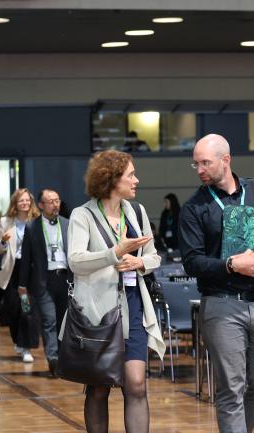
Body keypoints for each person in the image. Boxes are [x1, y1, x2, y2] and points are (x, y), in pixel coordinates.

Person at [179, 134, 254, 433]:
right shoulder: (193, 208)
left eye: (205, 163)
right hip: (221, 304)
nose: (199, 169)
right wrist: (232, 264)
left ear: (226, 160)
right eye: (196, 164)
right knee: (231, 388)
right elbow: (192, 262)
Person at [67, 150, 165, 433]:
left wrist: (140, 262)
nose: (137, 180)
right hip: (98, 311)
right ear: (111, 180)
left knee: (136, 383)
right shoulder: (82, 215)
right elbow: (75, 261)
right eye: (130, 175)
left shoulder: (137, 212)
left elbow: (154, 256)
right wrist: (115, 253)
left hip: (133, 305)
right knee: (99, 387)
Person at [18, 188, 70, 376]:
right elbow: (26, 258)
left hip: (65, 279)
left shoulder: (67, 224)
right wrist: (22, 285)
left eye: (57, 200)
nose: (55, 204)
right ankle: (53, 359)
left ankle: (65, 359)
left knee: (65, 321)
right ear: (40, 205)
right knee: (49, 320)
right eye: (51, 201)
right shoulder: (32, 227)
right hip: (44, 280)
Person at [0, 188, 40, 363]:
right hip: (12, 270)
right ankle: (18, 342)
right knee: (13, 308)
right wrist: (4, 241)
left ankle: (26, 347)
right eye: (21, 200)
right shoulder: (6, 221)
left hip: (29, 271)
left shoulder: (36, 221)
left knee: (26, 308)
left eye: (27, 200)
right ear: (15, 203)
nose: (25, 203)